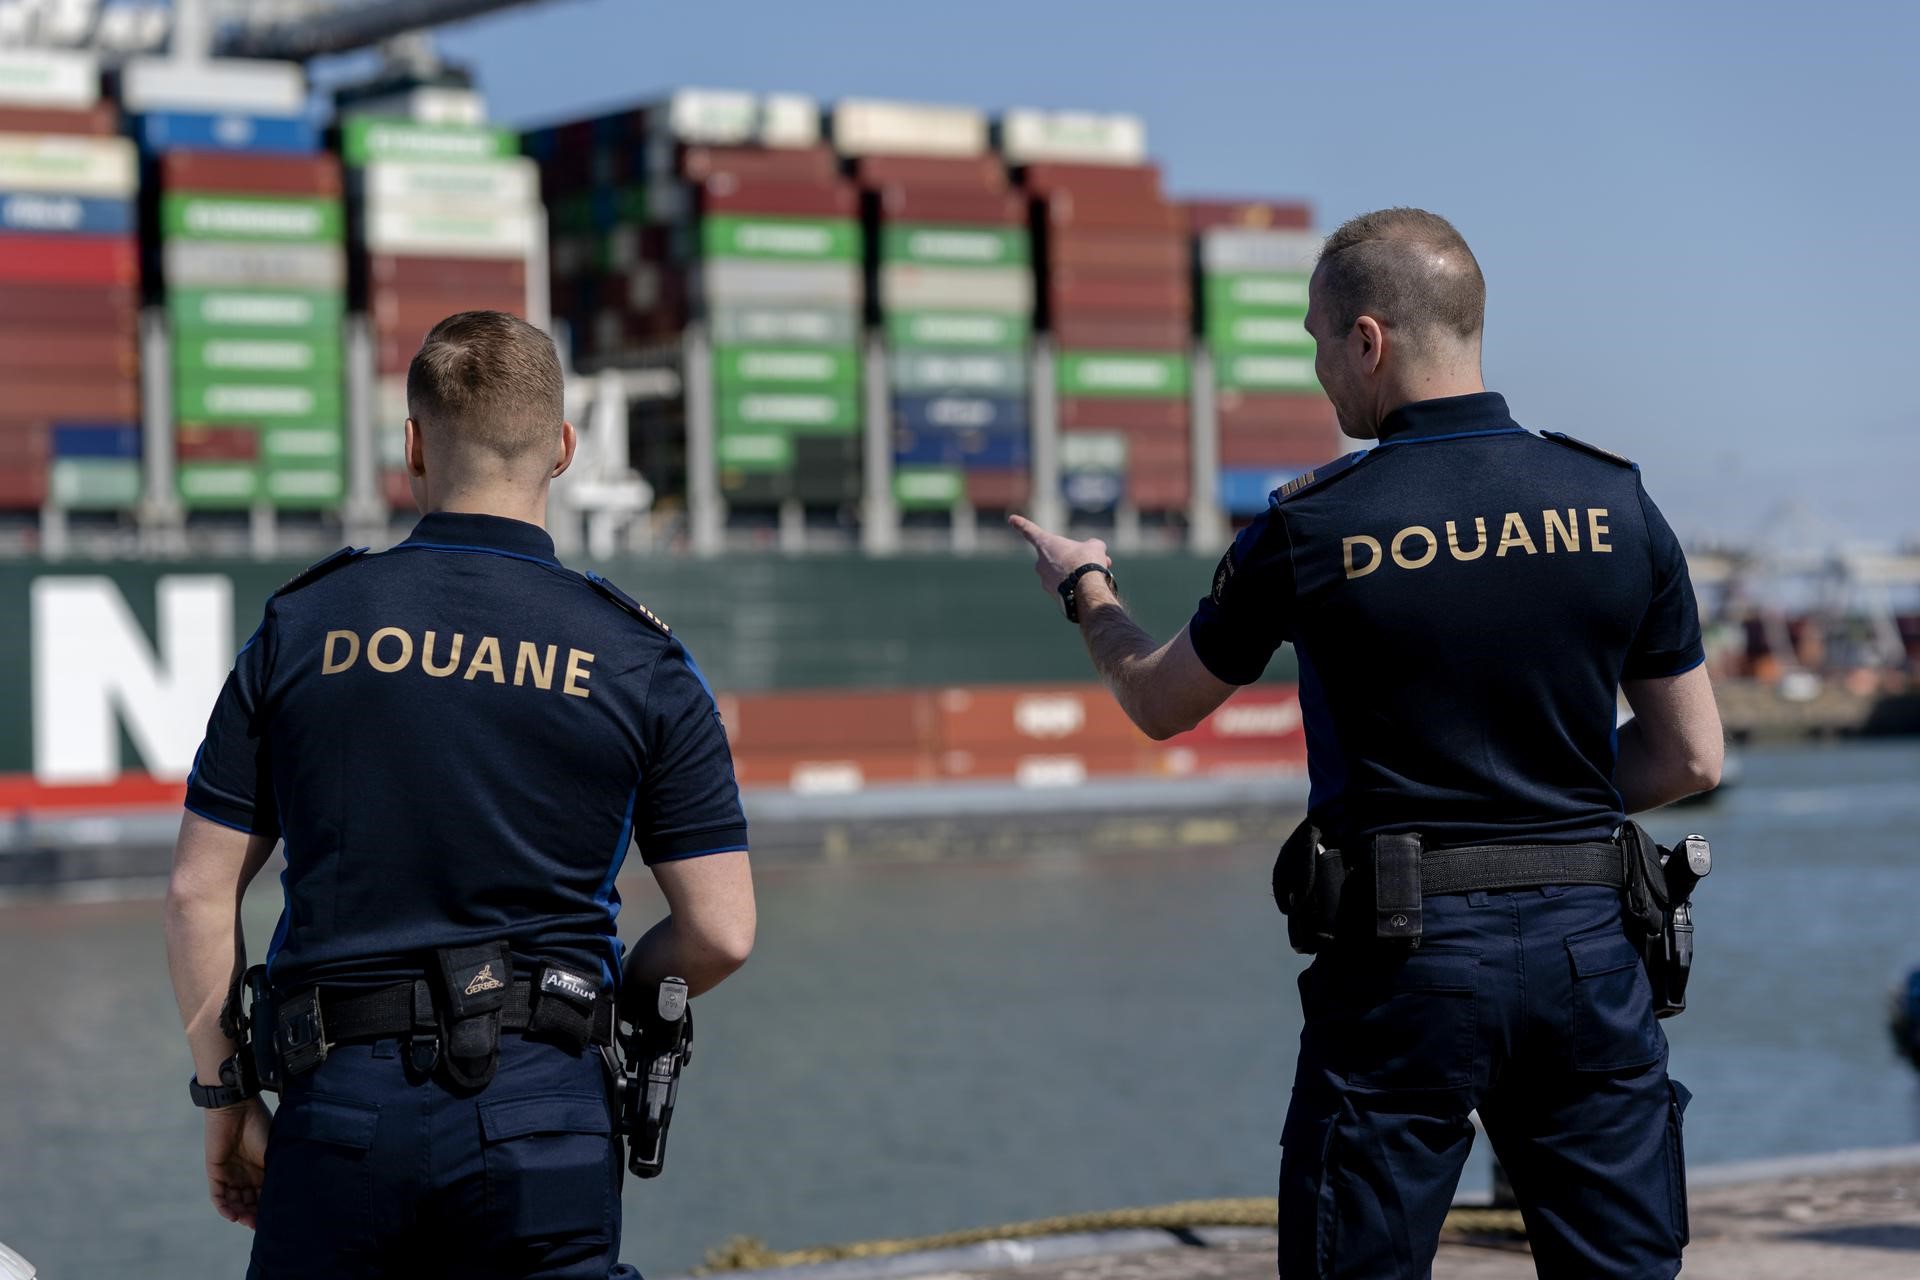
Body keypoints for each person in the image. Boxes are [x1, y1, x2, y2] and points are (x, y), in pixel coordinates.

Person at [1012, 208, 1722, 1279]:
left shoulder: (1311, 526)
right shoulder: (1615, 502)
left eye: (1316, 341)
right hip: (1589, 950)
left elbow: (1159, 701)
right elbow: (1692, 757)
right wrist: (1546, 812)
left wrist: (1086, 587)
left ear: (1369, 339)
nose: (1318, 370)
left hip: (1403, 963)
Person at [164, 310, 756, 1279]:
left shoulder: (303, 625)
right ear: (564, 448)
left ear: (411, 446)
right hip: (546, 1109)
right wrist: (599, 998)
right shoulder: (640, 657)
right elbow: (723, 932)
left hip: (339, 1109)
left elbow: (198, 891)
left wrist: (226, 1097)